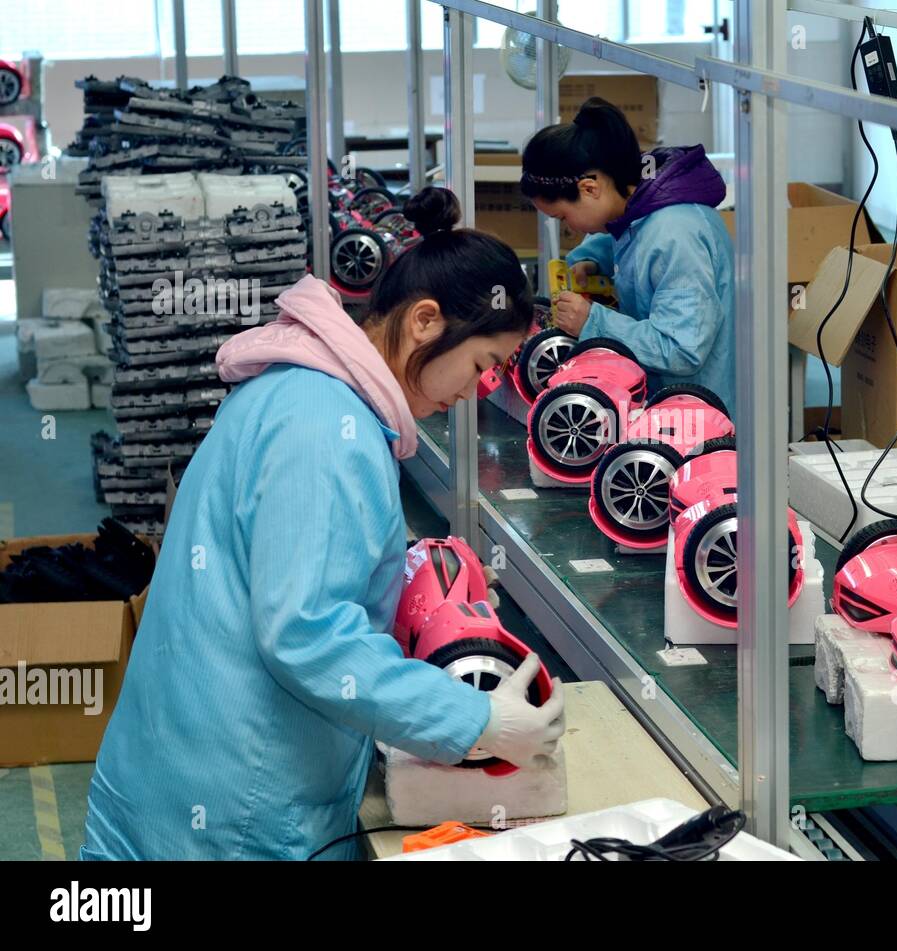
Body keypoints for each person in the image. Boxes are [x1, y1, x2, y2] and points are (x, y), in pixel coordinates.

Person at [81, 188, 565, 860]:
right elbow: (306, 633)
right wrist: (475, 720)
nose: (473, 393)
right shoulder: (329, 431)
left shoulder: (299, 390)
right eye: (482, 365)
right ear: (426, 320)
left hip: (171, 769)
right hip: (234, 809)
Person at [521, 97, 737, 414]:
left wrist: (592, 321)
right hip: (660, 402)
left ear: (590, 188)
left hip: (698, 416)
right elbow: (632, 239)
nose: (568, 228)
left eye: (564, 218)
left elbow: (682, 350)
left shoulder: (678, 234)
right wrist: (592, 256)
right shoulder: (642, 207)